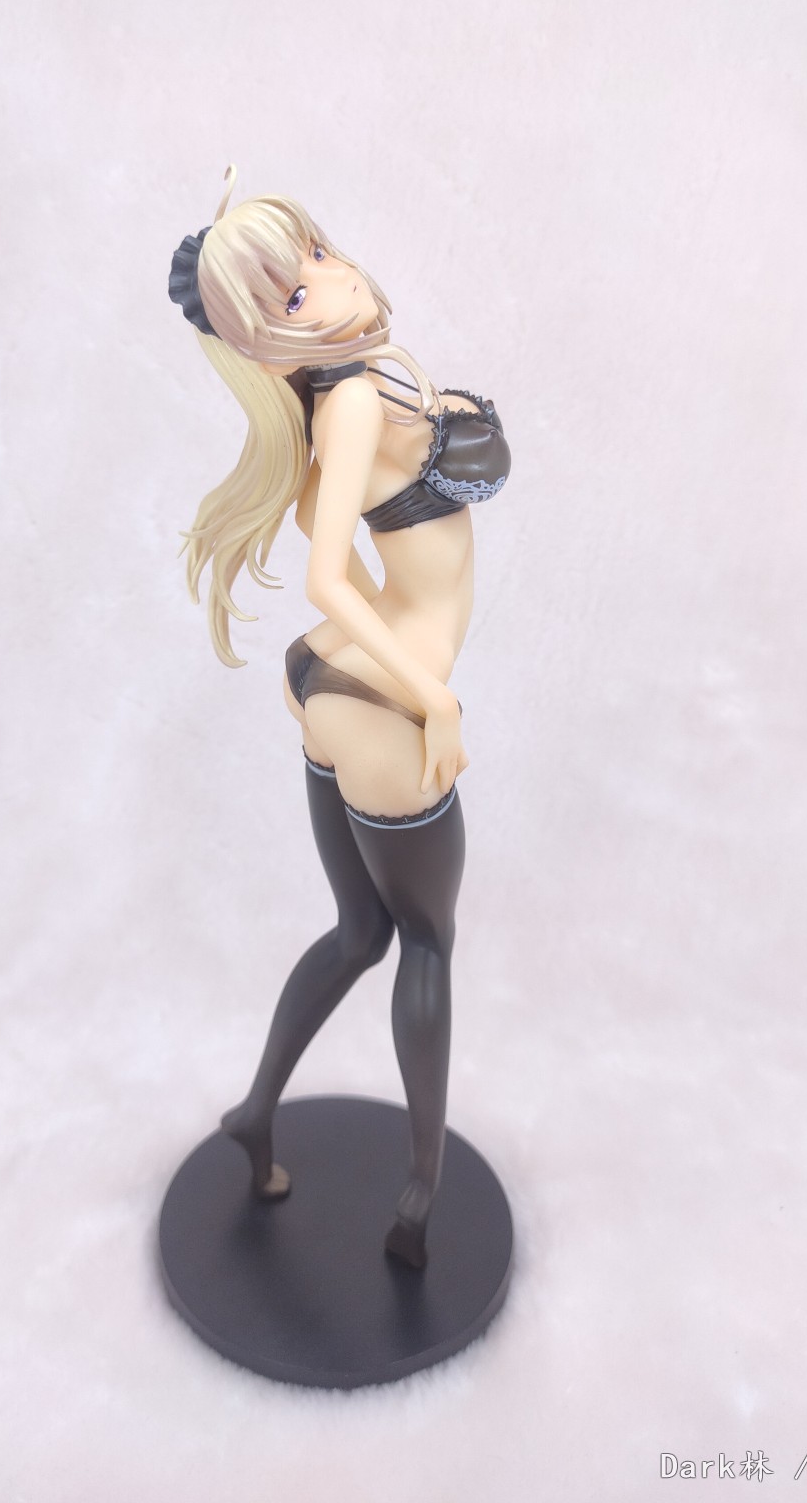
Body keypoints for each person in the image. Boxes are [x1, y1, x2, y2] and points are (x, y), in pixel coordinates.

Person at [168, 166, 510, 1267]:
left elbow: (328, 512)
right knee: (427, 943)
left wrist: (393, 644)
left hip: (331, 682)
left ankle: (255, 1111)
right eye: (294, 291)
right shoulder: (356, 401)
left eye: (313, 252)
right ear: (271, 344)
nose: (330, 274)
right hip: (385, 703)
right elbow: (327, 572)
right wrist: (432, 693)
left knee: (361, 933)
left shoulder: (349, 392)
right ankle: (419, 1197)